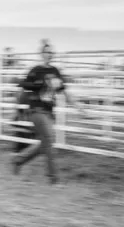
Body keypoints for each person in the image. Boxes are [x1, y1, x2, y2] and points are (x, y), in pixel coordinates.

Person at [11, 39, 89, 184]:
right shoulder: (35, 71)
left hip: (48, 113)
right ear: (41, 54)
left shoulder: (55, 72)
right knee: (49, 141)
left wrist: (78, 106)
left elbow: (64, 92)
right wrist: (18, 108)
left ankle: (18, 160)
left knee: (45, 145)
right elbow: (22, 90)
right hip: (36, 111)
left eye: (51, 52)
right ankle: (53, 178)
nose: (50, 54)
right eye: (47, 52)